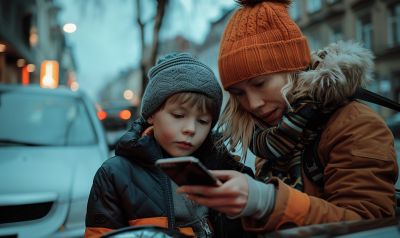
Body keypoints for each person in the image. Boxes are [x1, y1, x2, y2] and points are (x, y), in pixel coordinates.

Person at [176, 0, 398, 233]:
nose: (252, 104)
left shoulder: (356, 125)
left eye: (260, 84)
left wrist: (267, 201)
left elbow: (370, 225)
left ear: (292, 68)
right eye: (239, 93)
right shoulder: (271, 137)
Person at [84, 53, 255, 238]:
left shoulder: (227, 171)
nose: (190, 129)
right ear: (151, 115)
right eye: (179, 116)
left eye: (203, 121)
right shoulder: (115, 175)